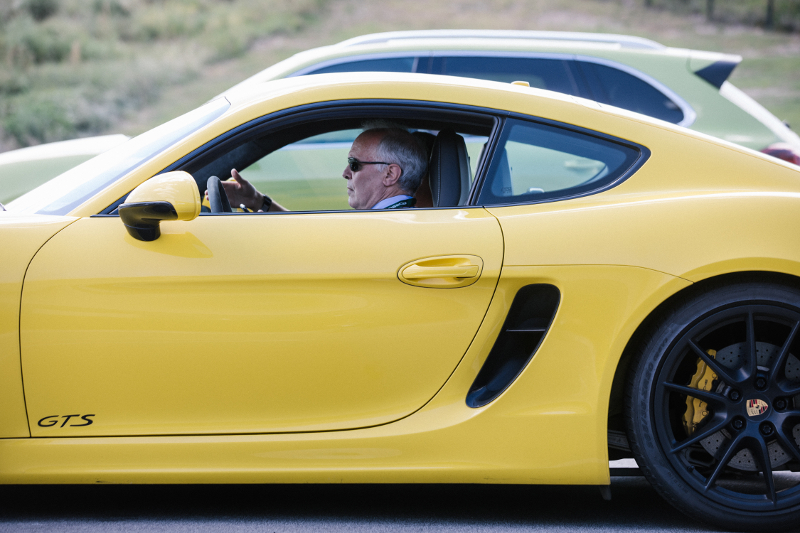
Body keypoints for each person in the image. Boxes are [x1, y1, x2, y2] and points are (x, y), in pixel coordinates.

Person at [215, 126, 428, 212]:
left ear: (390, 174)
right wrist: (257, 201)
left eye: (355, 165)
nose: (345, 173)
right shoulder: (389, 217)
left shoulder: (384, 225)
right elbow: (310, 237)